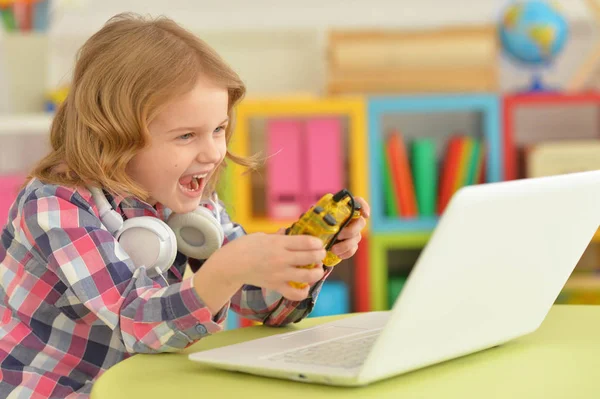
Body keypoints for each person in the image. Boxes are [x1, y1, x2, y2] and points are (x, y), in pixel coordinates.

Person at [0, 12, 370, 399]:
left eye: (219, 129)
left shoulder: (188, 198)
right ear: (112, 135)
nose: (212, 152)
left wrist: (303, 258)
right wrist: (228, 268)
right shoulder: (55, 207)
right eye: (186, 136)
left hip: (140, 389)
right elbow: (139, 323)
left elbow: (264, 305)